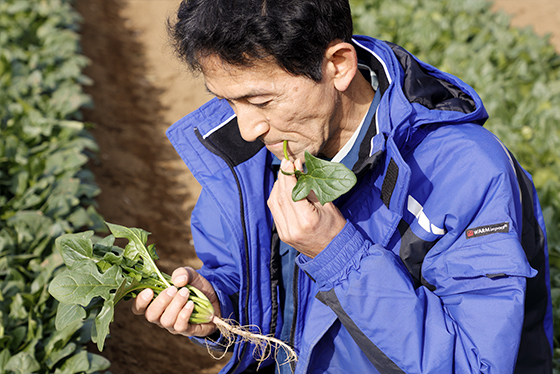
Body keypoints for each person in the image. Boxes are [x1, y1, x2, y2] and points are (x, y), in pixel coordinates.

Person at [132, 0, 554, 372]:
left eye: (261, 101)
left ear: (337, 66)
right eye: (227, 100)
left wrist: (339, 255)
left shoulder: (464, 171)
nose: (246, 128)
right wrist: (218, 307)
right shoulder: (261, 153)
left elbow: (474, 364)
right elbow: (269, 300)